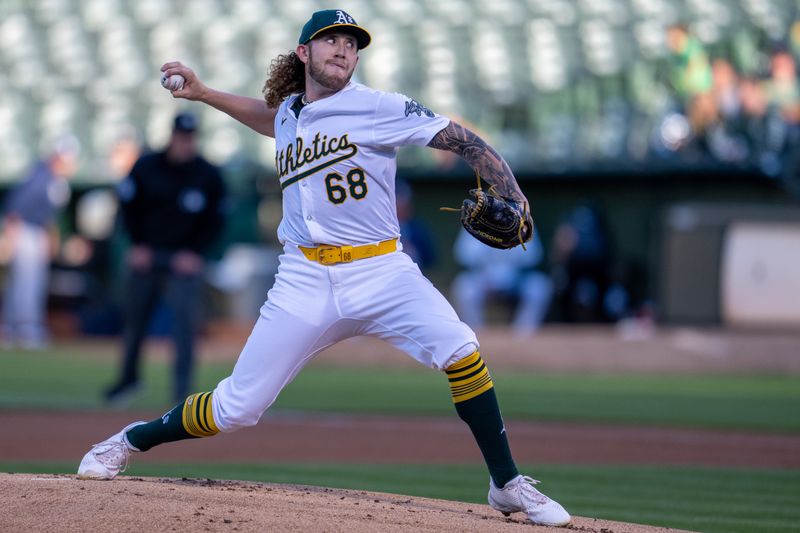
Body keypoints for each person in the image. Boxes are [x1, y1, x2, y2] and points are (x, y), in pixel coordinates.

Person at [78, 10, 570, 527]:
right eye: (329, 39)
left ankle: (507, 484)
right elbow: (271, 119)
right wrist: (203, 93)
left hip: (382, 269)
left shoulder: (379, 107)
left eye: (351, 43)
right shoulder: (290, 112)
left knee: (462, 349)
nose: (342, 49)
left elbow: (465, 141)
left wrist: (515, 195)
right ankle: (128, 440)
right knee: (236, 408)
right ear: (303, 54)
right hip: (303, 278)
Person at [103, 112, 227, 404]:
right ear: (171, 136)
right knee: (134, 323)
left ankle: (182, 391)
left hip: (184, 262)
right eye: (181, 137)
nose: (185, 143)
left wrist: (196, 253)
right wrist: (137, 245)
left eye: (190, 138)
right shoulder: (147, 167)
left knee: (185, 327)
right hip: (148, 256)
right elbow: (128, 208)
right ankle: (128, 381)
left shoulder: (207, 174)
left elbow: (217, 220)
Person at [1, 136, 78, 349]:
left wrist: (49, 238)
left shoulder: (53, 179)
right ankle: (22, 330)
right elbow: (16, 209)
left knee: (29, 283)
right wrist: (11, 237)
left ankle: (18, 328)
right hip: (25, 232)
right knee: (25, 284)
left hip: (35, 233)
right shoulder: (40, 177)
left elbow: (48, 217)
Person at [451, 227, 552, 335]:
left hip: (516, 278)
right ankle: (476, 333)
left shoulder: (523, 220)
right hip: (484, 277)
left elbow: (534, 256)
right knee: (463, 287)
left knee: (539, 286)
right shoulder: (475, 221)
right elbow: (463, 255)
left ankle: (524, 334)